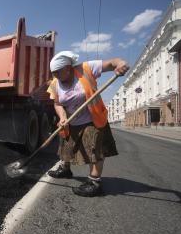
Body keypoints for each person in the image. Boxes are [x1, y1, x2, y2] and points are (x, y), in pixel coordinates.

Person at [46, 51, 129, 197]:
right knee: (66, 146)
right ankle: (65, 169)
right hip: (72, 120)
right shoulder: (55, 83)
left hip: (92, 118)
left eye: (58, 72)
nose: (56, 76)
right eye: (53, 73)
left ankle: (94, 182)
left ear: (68, 68)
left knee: (94, 148)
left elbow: (112, 62)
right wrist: (62, 116)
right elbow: (57, 103)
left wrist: (120, 64)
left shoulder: (85, 68)